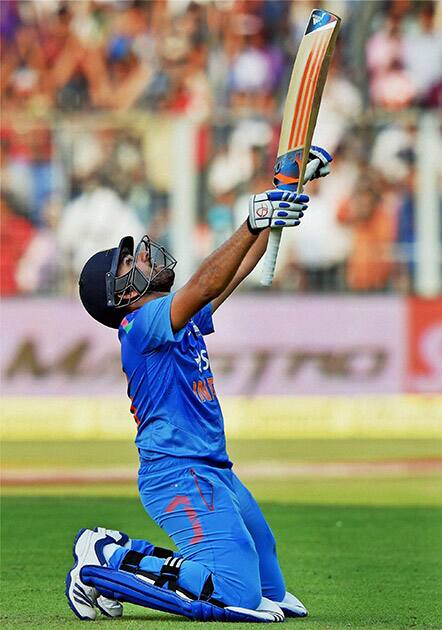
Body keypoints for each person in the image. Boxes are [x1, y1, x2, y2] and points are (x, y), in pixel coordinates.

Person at [67, 148, 332, 623]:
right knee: (236, 594)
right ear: (122, 296)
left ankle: (118, 555)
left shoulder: (170, 317)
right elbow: (207, 283)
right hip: (177, 472)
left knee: (271, 580)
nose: (144, 257)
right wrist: (254, 221)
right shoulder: (141, 324)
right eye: (131, 264)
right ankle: (106, 559)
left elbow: (230, 273)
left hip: (212, 468)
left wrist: (285, 193)